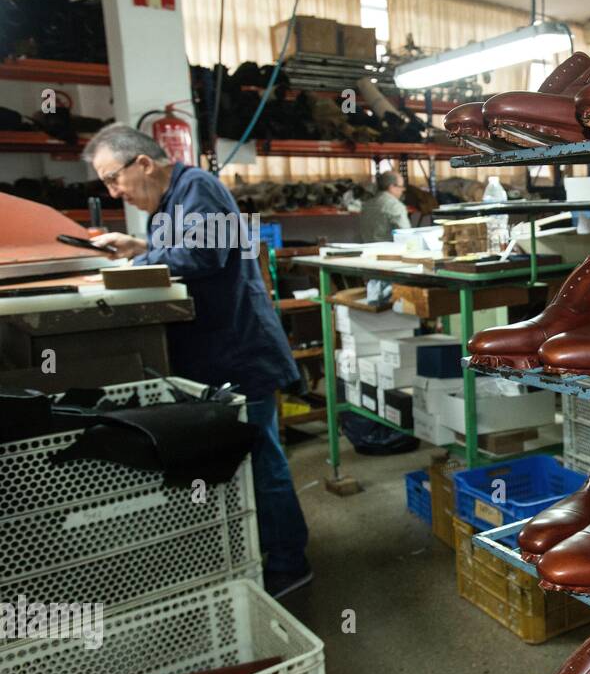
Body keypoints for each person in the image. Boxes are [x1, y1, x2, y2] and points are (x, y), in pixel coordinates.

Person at [82, 123, 311, 599]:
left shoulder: (198, 187)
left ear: (143, 163)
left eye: (112, 179)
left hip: (240, 351)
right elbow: (183, 250)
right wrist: (140, 248)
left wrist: (127, 270)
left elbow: (204, 255)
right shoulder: (168, 204)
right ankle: (256, 553)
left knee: (261, 460)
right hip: (215, 354)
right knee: (240, 458)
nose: (114, 192)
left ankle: (290, 564)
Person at [359, 170, 410, 242]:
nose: (403, 190)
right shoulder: (395, 206)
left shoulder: (366, 205)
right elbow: (406, 236)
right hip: (390, 252)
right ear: (392, 187)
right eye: (401, 186)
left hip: (367, 251)